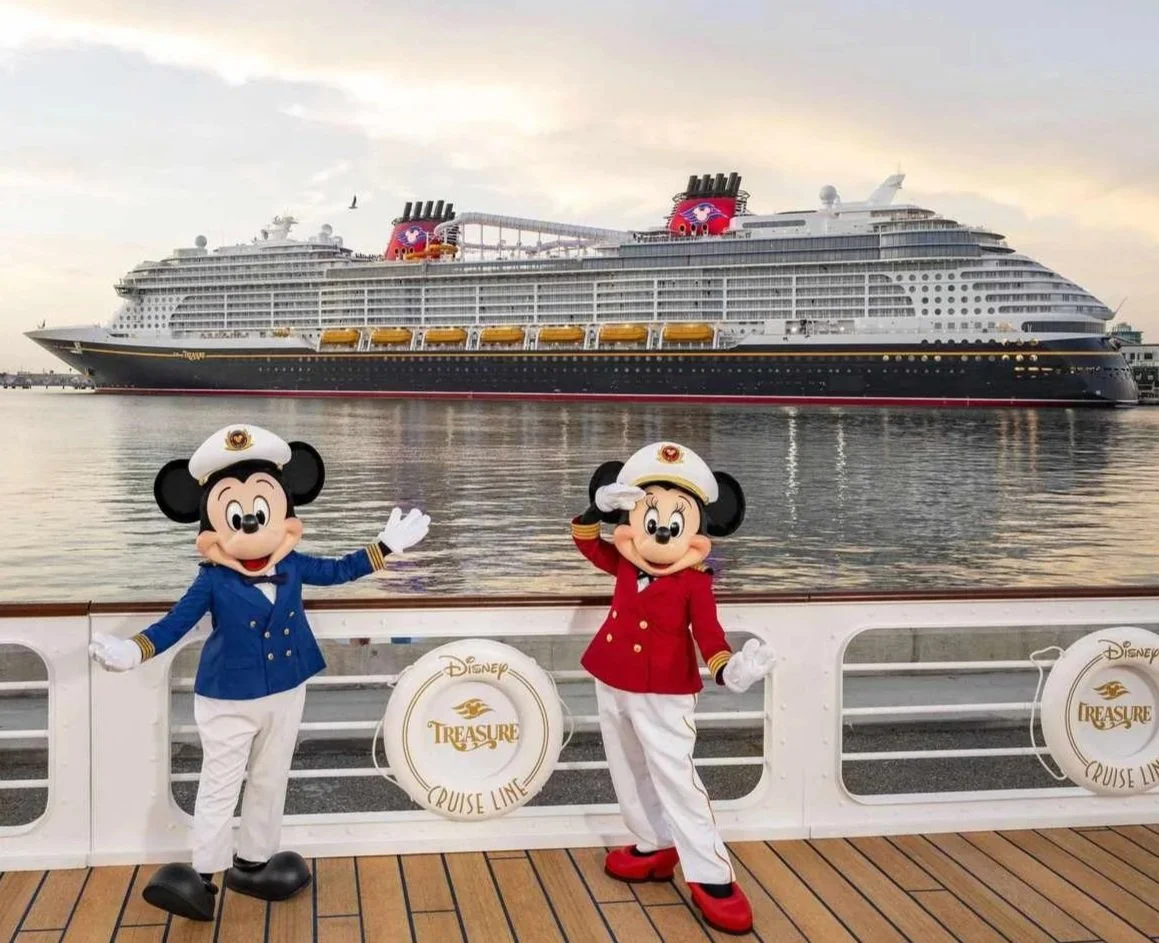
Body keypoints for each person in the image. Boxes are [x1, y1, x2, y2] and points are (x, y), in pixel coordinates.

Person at [89, 423, 429, 921]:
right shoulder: (210, 581)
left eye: (261, 510)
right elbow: (175, 625)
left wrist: (384, 547)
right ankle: (202, 875)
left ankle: (252, 860)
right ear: (207, 523)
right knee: (220, 783)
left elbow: (338, 571)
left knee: (271, 777)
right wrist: (133, 650)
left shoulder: (292, 567)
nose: (249, 524)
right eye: (235, 514)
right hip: (228, 697)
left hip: (287, 688)